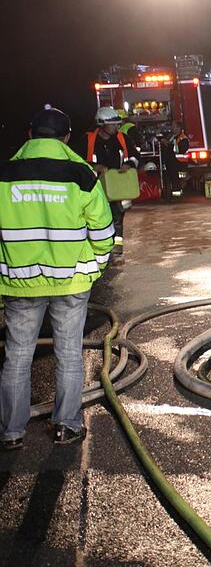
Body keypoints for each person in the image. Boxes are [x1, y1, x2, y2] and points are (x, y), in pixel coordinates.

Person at [0, 108, 114, 449]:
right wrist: (94, 268)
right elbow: (104, 232)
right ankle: (66, 425)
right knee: (68, 353)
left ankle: (10, 432)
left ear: (30, 133)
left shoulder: (5, 173)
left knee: (17, 356)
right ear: (66, 137)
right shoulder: (81, 175)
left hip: (19, 283)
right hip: (71, 282)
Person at [84, 106, 139, 260]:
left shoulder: (122, 139)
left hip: (118, 187)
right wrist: (93, 166)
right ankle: (99, 249)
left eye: (117, 123)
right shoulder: (88, 140)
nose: (117, 126)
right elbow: (77, 161)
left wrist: (129, 164)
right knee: (97, 218)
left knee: (118, 215)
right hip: (96, 187)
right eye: (113, 123)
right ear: (101, 124)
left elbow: (135, 155)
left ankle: (116, 249)